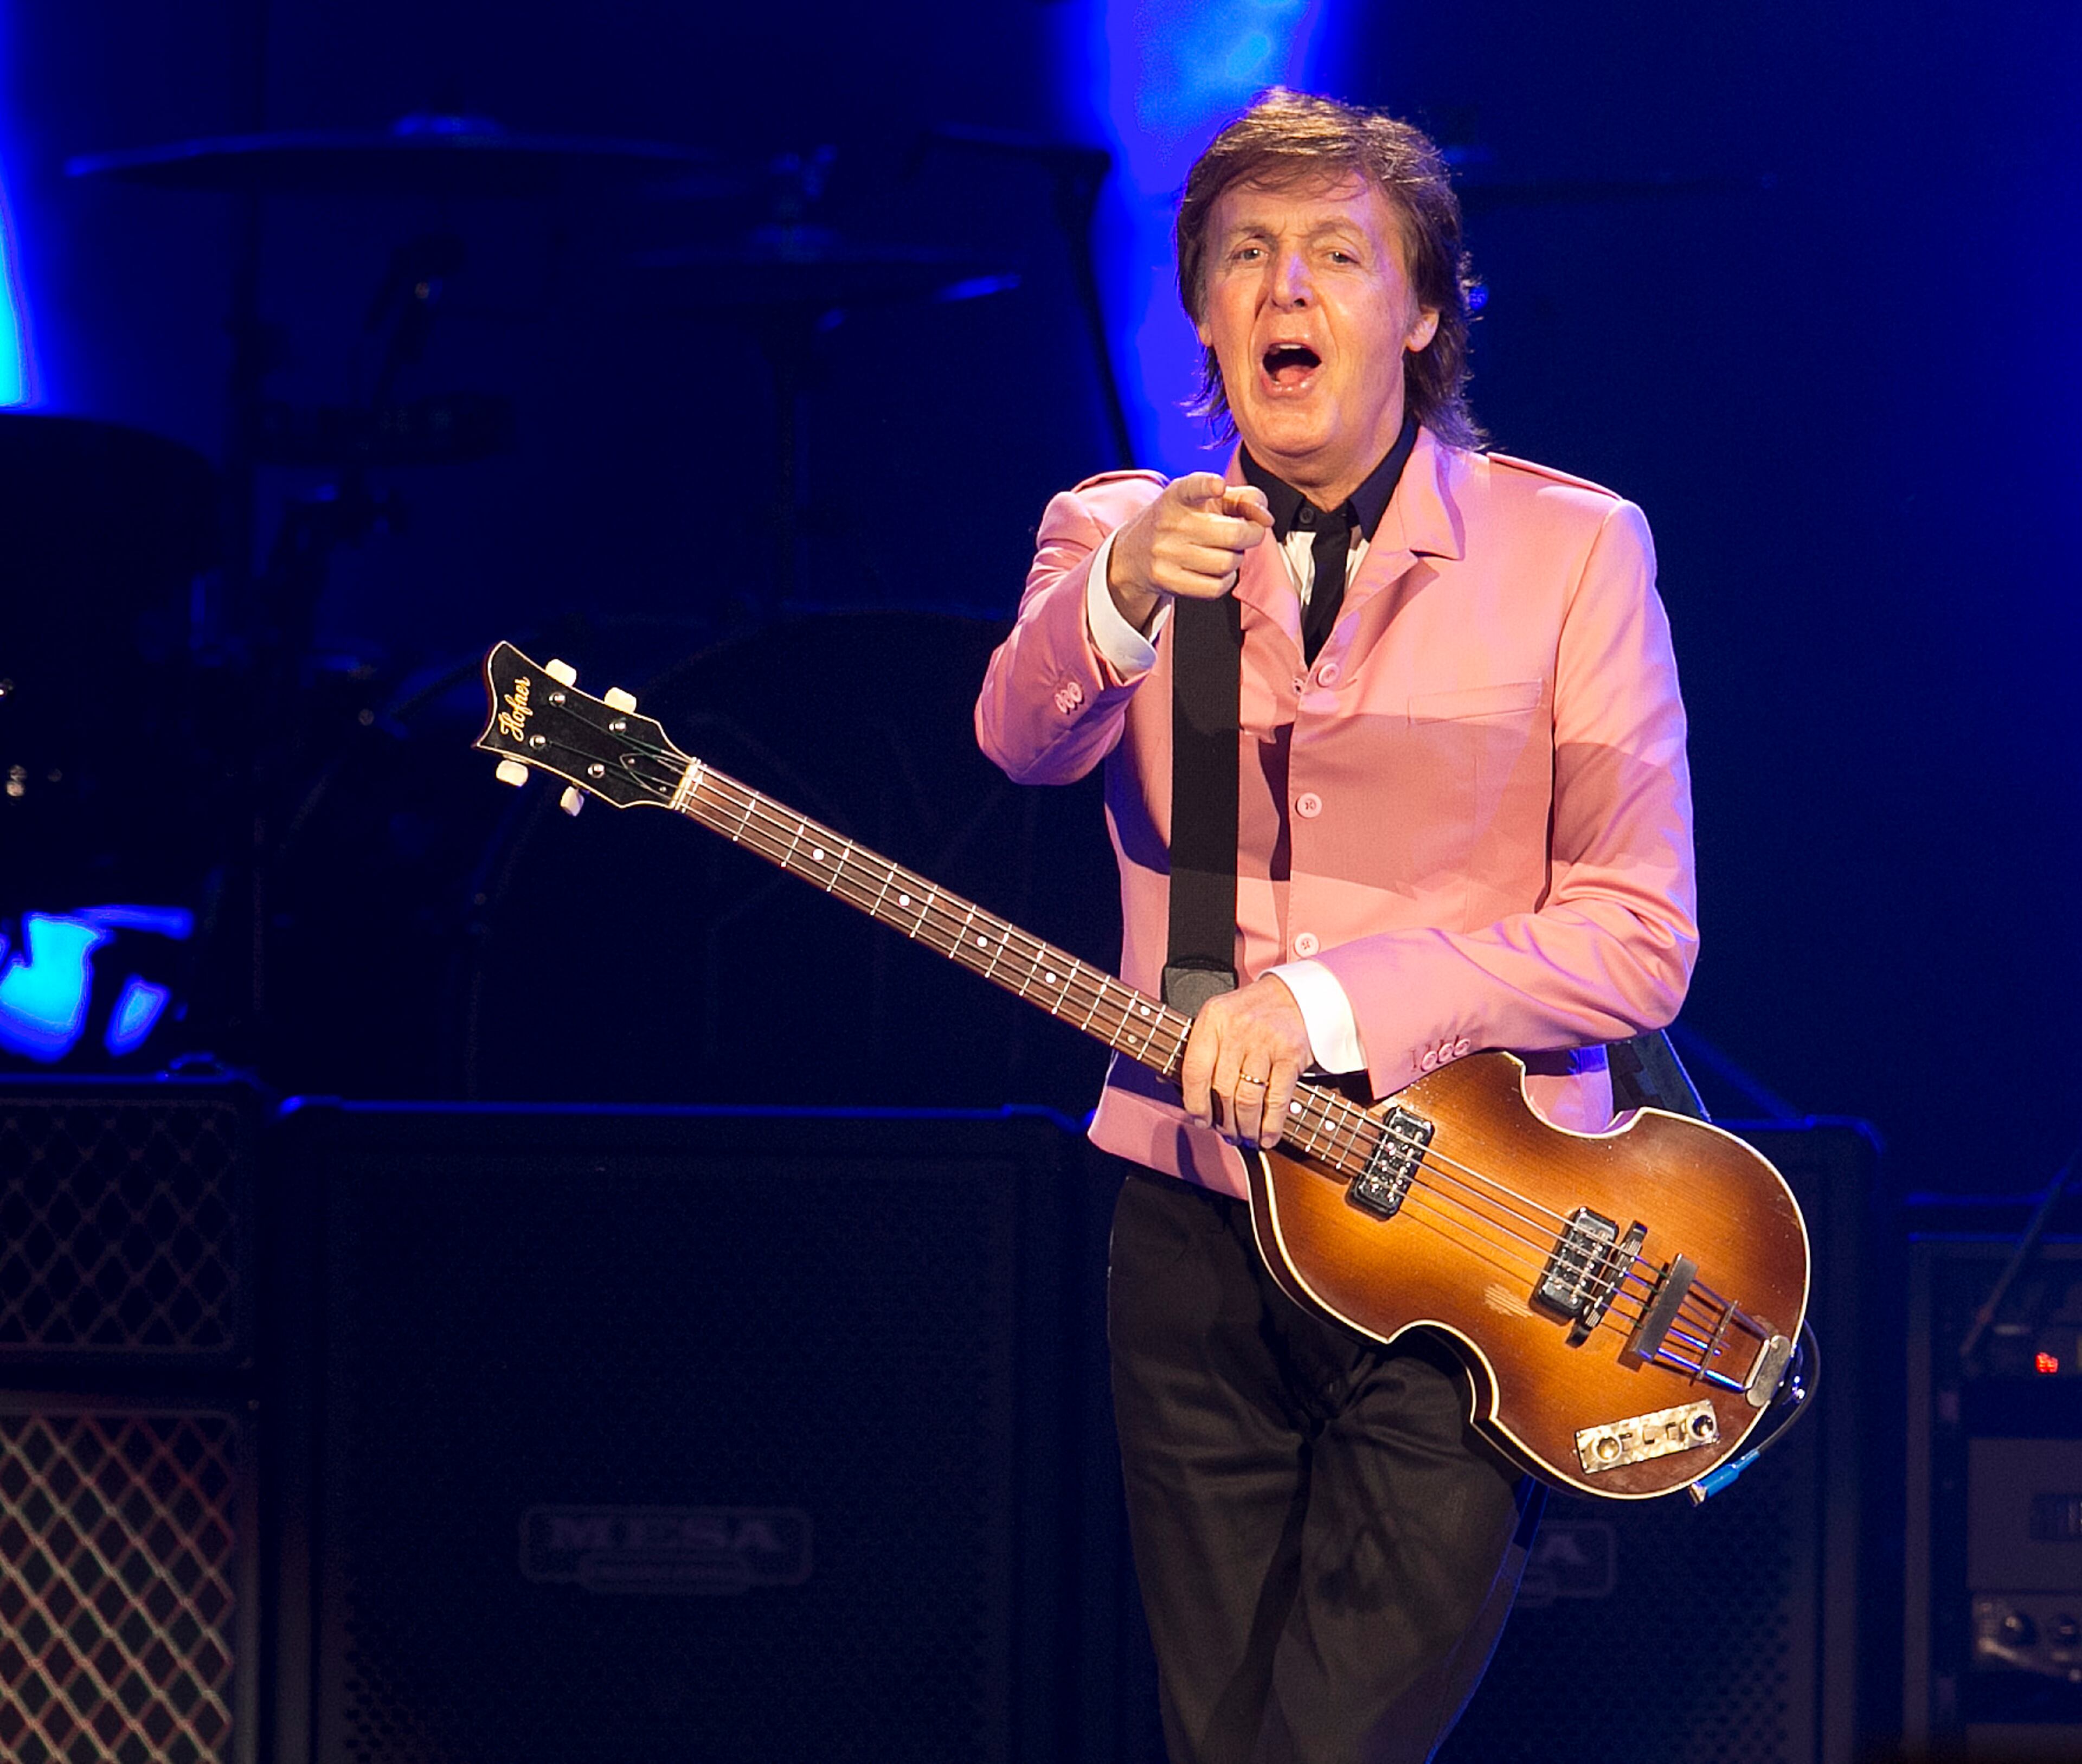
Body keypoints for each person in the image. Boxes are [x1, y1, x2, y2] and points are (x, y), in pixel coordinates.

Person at [975, 89, 1695, 1763]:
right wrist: (1128, 593)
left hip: (1474, 1230)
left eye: (1335, 255)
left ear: (1424, 307)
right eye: (1244, 256)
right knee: (1220, 1738)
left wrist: (1333, 1005)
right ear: (1206, 313)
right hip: (1192, 1225)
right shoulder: (1113, 533)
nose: (1285, 290)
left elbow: (1640, 932)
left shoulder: (1572, 551)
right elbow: (1022, 739)